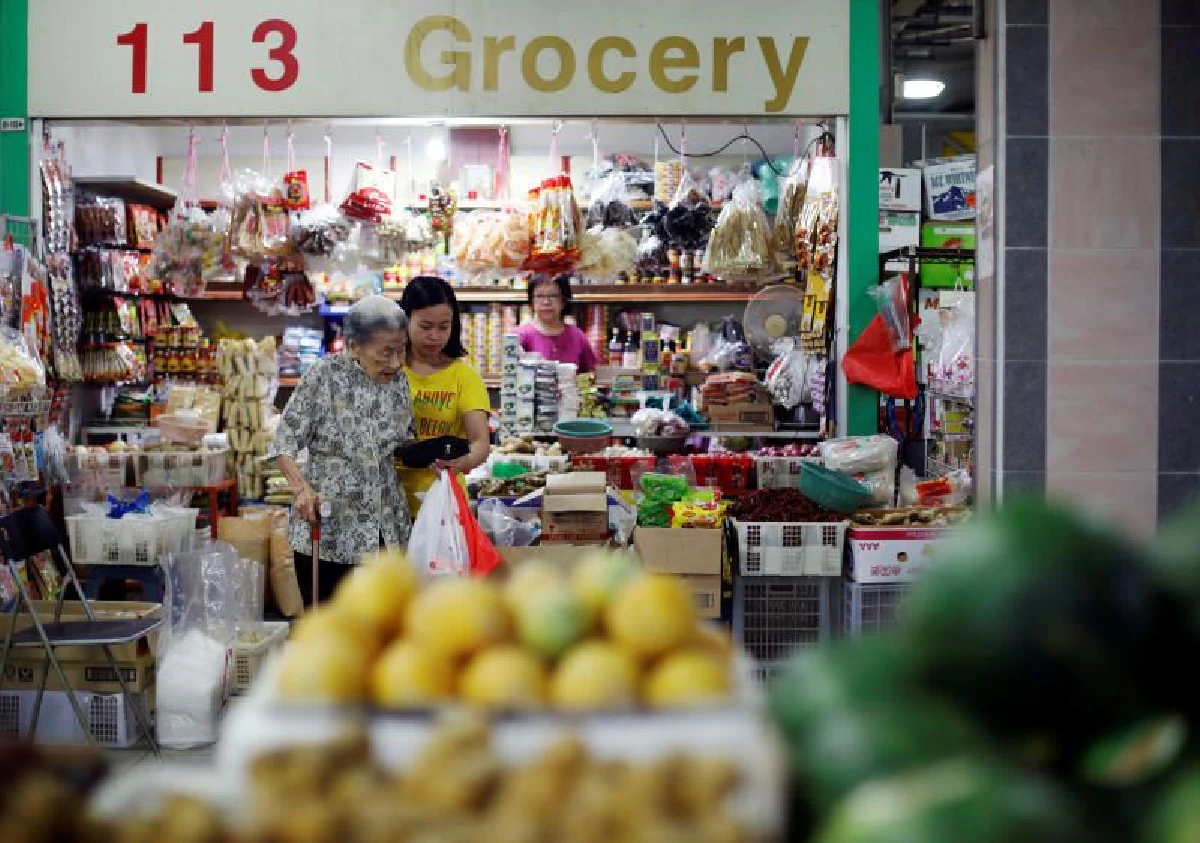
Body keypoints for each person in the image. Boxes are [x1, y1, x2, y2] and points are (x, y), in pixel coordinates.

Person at [268, 295, 415, 606]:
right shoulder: (324, 376)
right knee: (332, 626)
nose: (396, 362)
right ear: (354, 346)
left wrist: (425, 451)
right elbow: (284, 442)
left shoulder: (399, 381)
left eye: (401, 350)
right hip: (331, 528)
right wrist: (301, 490)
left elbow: (400, 439)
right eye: (386, 352)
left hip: (386, 527)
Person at [398, 276, 492, 514]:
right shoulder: (389, 370)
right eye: (425, 326)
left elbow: (480, 441)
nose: (435, 336)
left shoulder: (464, 375)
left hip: (445, 502)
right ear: (405, 320)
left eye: (444, 327)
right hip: (390, 501)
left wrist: (466, 462)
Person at [517, 274, 597, 373]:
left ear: (563, 301)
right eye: (539, 296)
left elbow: (590, 373)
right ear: (531, 302)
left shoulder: (578, 336)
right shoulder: (520, 336)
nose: (546, 302)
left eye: (553, 296)